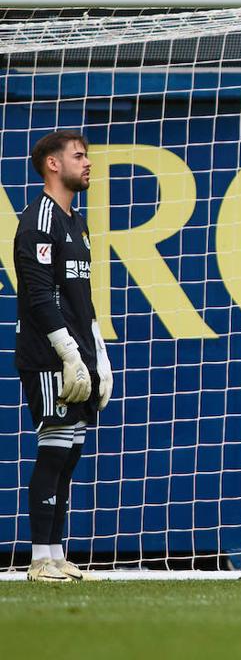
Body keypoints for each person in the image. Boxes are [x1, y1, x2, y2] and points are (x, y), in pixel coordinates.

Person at [14, 131, 114, 582]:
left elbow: (80, 296)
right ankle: (39, 560)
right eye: (79, 156)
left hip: (77, 352)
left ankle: (56, 555)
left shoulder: (78, 221)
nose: (87, 162)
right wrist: (68, 352)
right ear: (53, 165)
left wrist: (98, 354)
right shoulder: (39, 219)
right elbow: (37, 295)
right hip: (47, 354)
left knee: (70, 451)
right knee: (53, 451)